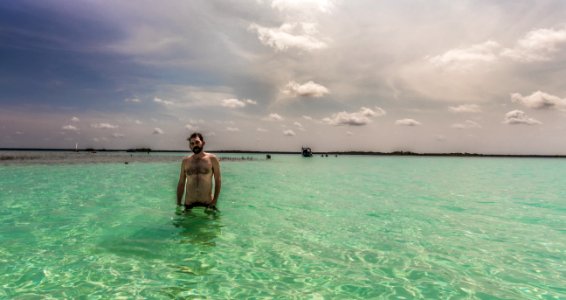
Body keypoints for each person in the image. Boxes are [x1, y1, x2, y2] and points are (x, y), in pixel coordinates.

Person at [177, 132, 221, 211]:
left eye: (197, 142)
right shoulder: (185, 161)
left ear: (203, 143)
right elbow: (181, 183)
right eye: (192, 143)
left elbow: (218, 180)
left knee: (217, 223)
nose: (195, 145)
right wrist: (178, 203)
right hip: (189, 203)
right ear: (190, 146)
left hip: (207, 203)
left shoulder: (212, 159)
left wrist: (215, 201)